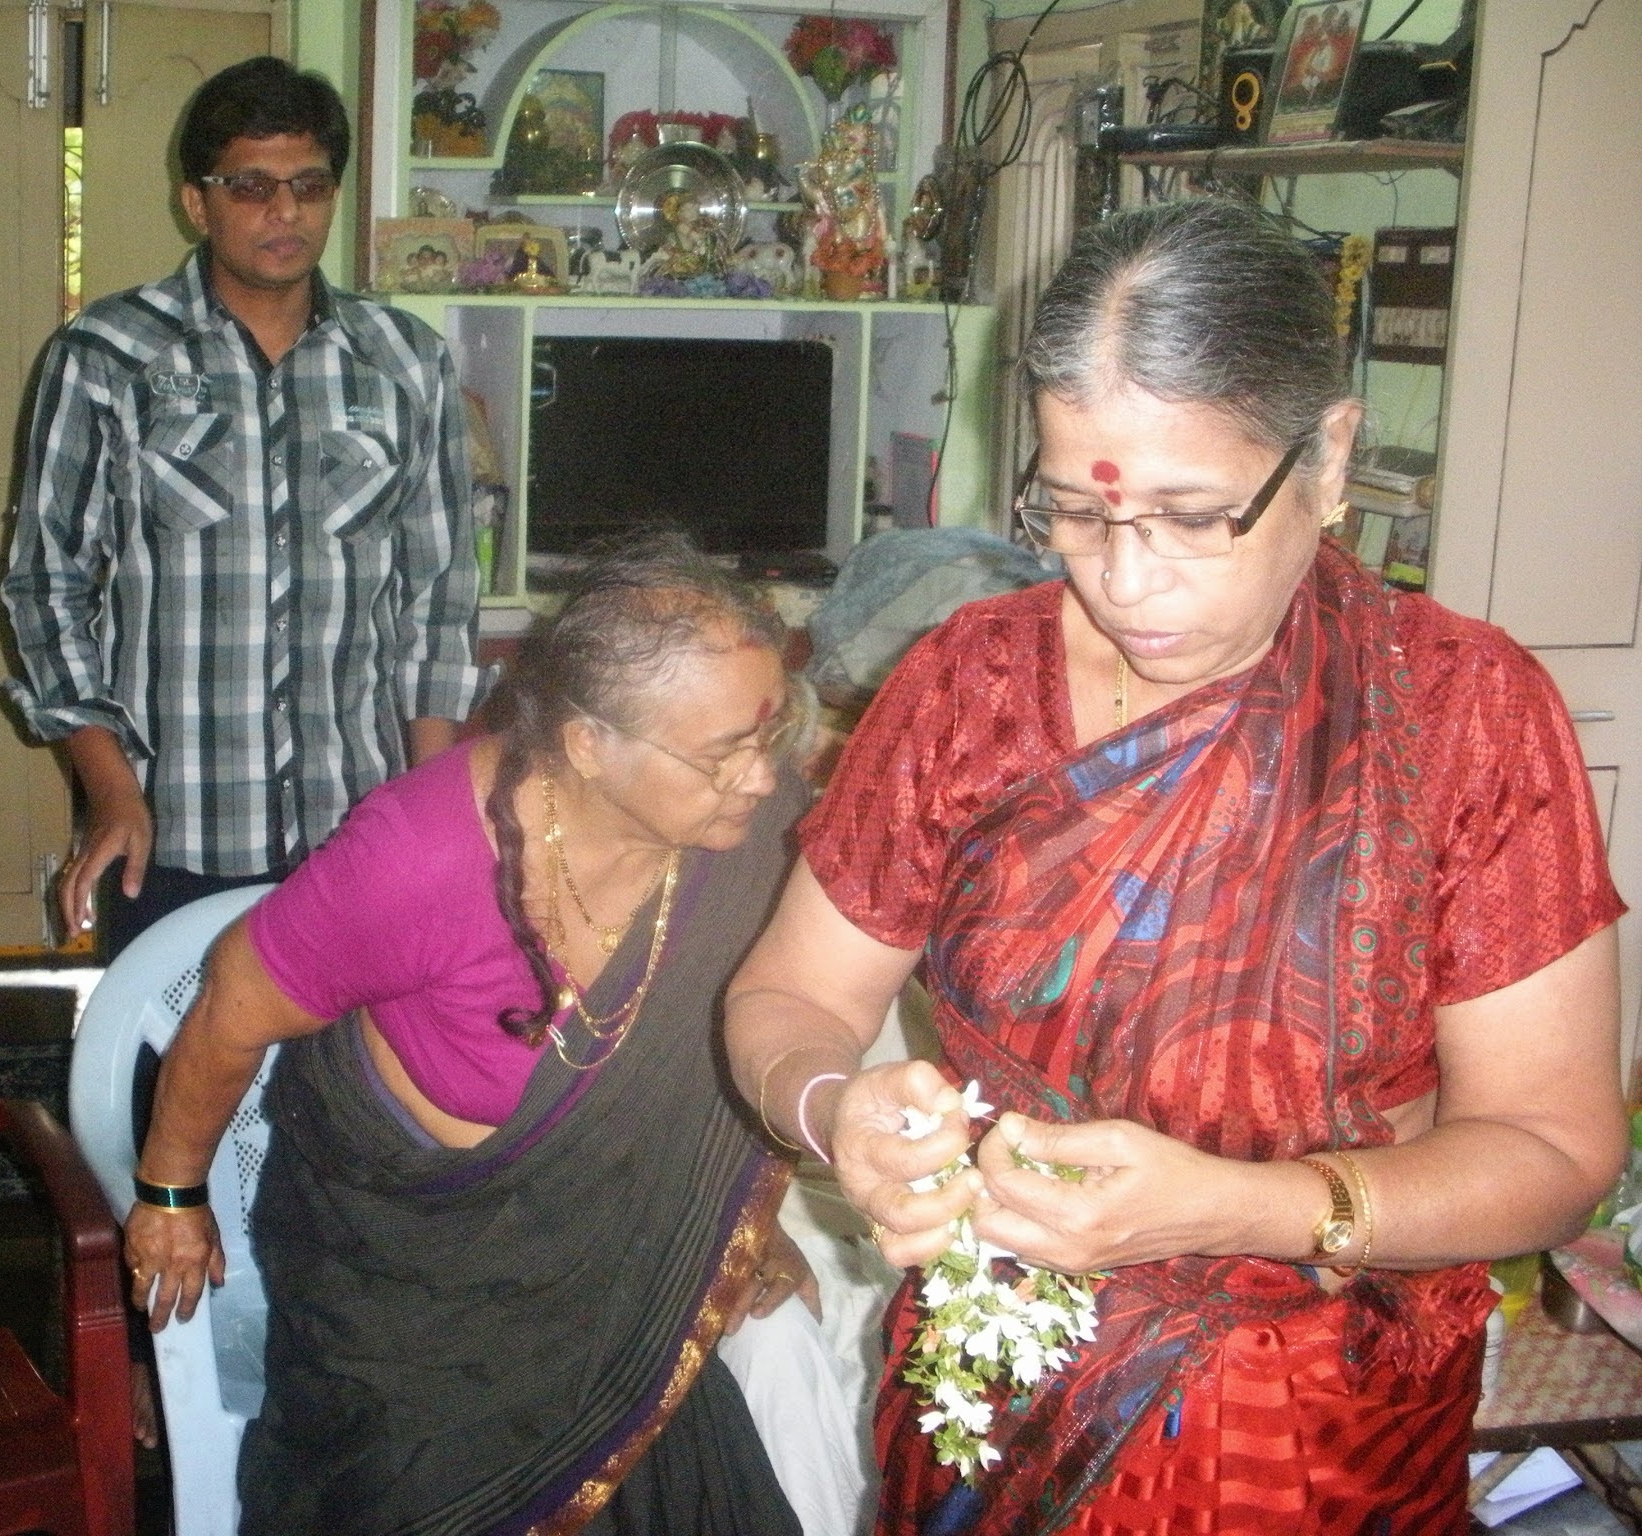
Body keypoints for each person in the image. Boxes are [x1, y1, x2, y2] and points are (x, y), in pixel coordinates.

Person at [724, 198, 1627, 1534]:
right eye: (1076, 514)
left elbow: (1552, 1150)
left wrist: (1247, 1208)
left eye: (1193, 517)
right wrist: (830, 1111)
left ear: (1327, 456)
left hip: (1317, 1438)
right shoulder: (969, 686)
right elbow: (788, 999)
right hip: (995, 1399)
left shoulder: (1460, 716)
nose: (1126, 582)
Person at [123, 538, 820, 1534]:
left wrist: (730, 1221)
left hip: (609, 1282)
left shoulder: (748, 841)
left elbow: (697, 1075)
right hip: (407, 1299)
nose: (758, 778)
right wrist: (169, 1193)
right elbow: (227, 1007)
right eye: (722, 754)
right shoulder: (416, 858)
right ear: (588, 744)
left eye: (771, 733)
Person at [0, 54, 483, 962]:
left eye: (310, 186)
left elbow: (438, 599)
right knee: (170, 1049)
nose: (284, 212)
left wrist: (433, 815)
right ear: (198, 202)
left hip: (358, 832)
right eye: (252, 186)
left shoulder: (405, 361)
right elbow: (45, 586)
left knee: (351, 1055)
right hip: (170, 832)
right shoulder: (109, 356)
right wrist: (111, 790)